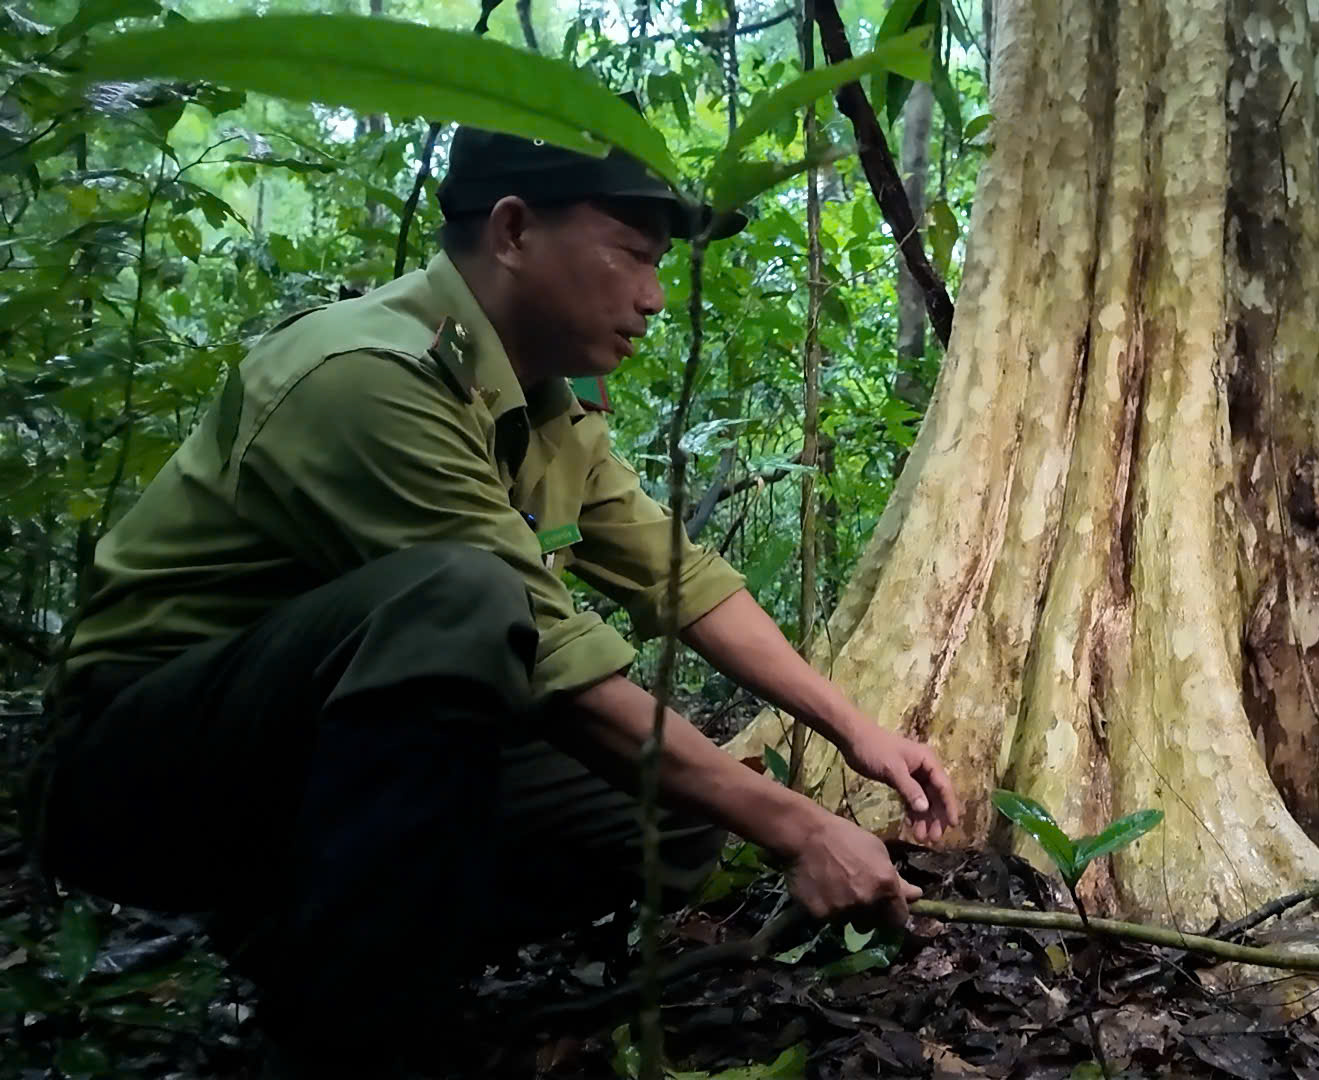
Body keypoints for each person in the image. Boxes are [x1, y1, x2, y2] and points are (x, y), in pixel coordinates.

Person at [24, 116, 958, 1078]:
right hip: (139, 766)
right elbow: (555, 663)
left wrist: (858, 732)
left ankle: (330, 953)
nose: (654, 297)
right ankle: (360, 1032)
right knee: (463, 594)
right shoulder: (370, 377)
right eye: (633, 256)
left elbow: (679, 576)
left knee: (673, 816)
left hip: (314, 752)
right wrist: (798, 826)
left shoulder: (547, 400)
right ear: (513, 232)